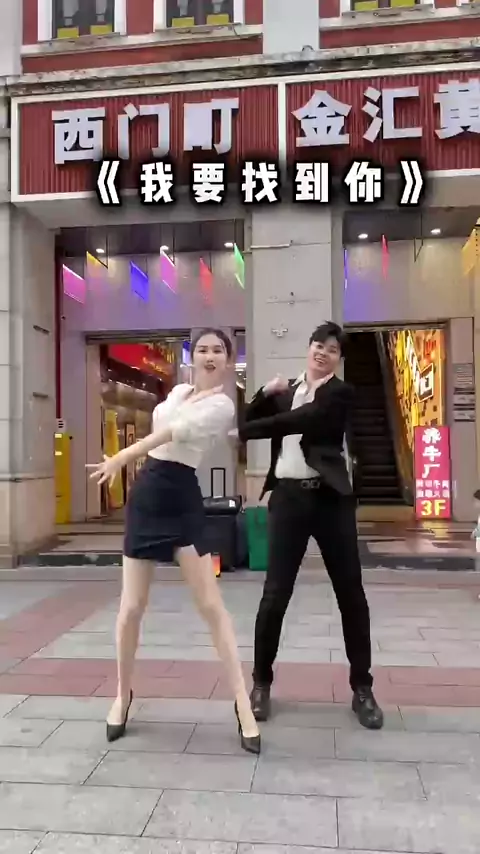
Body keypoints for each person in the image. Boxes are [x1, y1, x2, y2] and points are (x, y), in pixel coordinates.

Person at [87, 328, 260, 754]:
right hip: (148, 495)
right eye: (201, 349)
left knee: (211, 606)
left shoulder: (222, 405)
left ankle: (243, 703)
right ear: (192, 355)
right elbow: (163, 431)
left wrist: (121, 456)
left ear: (227, 359)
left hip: (182, 497)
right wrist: (131, 461)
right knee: (131, 608)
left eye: (217, 350)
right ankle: (122, 694)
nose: (209, 356)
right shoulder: (179, 391)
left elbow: (171, 434)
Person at [236, 321, 383, 730]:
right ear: (309, 347)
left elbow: (300, 421)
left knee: (351, 595)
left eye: (332, 349)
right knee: (274, 595)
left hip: (331, 500)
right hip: (288, 499)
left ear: (339, 359)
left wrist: (244, 431)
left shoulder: (339, 394)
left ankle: (362, 688)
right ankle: (261, 684)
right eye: (318, 345)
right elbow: (246, 417)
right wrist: (262, 394)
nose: (323, 352)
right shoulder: (285, 392)